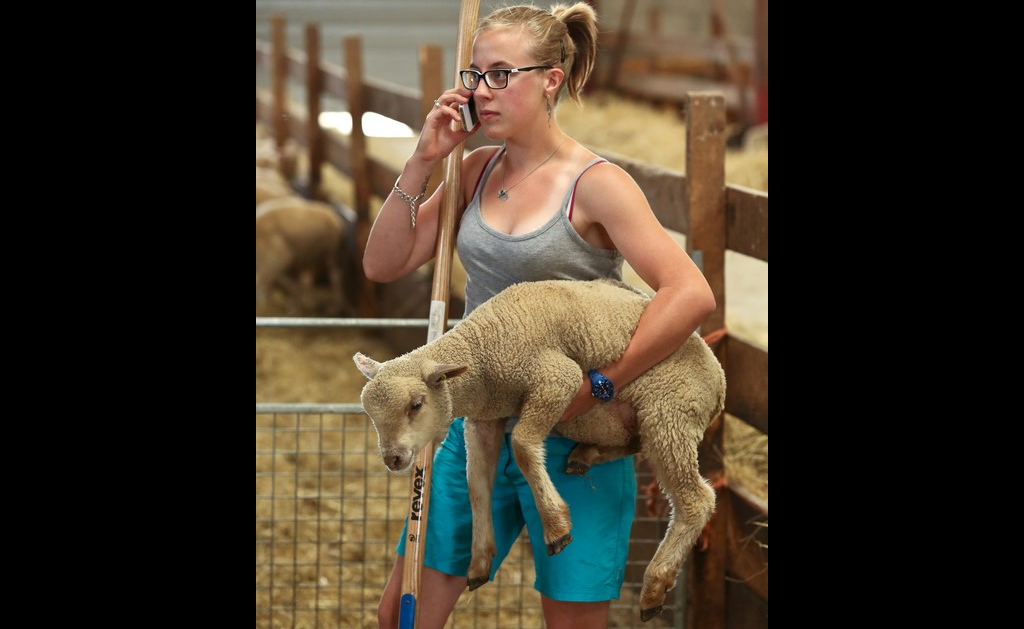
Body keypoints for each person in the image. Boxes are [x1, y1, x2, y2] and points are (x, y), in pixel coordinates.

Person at [363, 3, 716, 628]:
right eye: (475, 75)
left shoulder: (597, 183)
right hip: (477, 421)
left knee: (572, 620)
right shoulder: (474, 168)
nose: (481, 90)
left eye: (502, 73)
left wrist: (603, 384)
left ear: (551, 78)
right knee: (402, 617)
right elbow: (383, 263)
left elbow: (690, 294)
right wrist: (423, 160)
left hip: (576, 425)